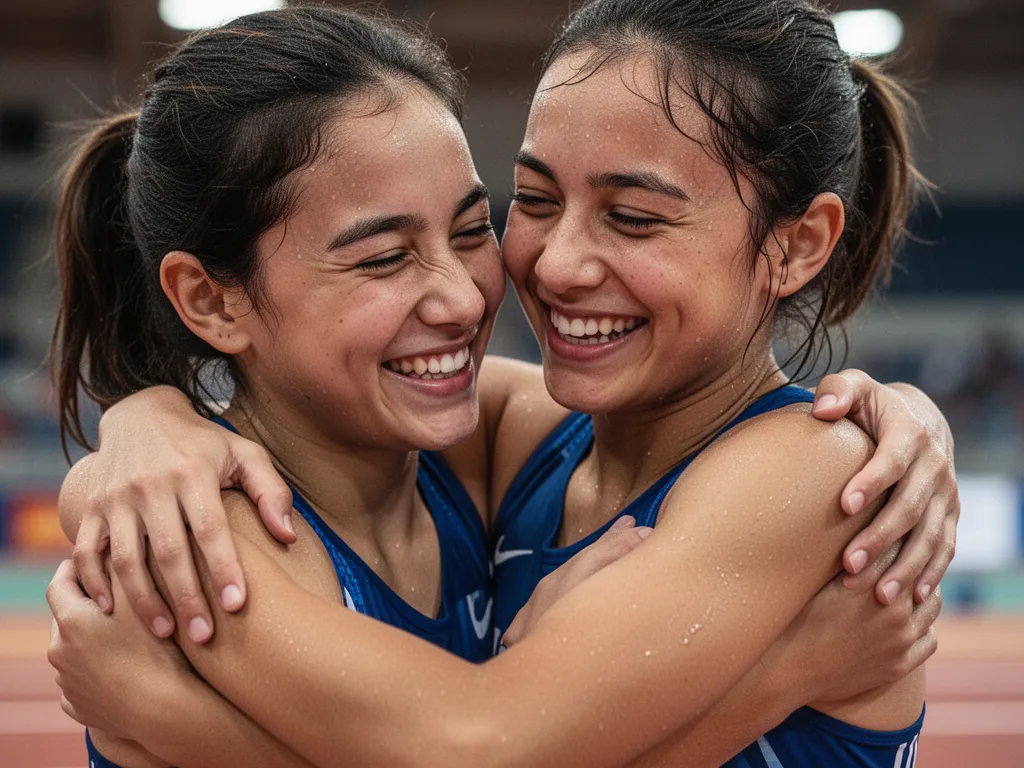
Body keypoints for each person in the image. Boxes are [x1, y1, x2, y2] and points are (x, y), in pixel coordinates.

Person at [47, 2, 955, 767]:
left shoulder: (810, 472)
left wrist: (174, 722)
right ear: (211, 298)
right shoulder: (489, 449)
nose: (551, 266)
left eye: (633, 218)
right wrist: (143, 422)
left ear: (798, 245)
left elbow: (480, 743)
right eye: (537, 200)